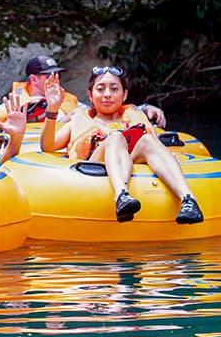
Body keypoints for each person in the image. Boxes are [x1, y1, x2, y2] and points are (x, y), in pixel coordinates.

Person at [39, 66, 203, 224]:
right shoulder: (79, 119)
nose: (107, 94)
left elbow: (156, 145)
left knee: (147, 140)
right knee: (116, 137)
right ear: (90, 95)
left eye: (114, 89)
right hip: (93, 164)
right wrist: (52, 109)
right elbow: (48, 147)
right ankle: (121, 195)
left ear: (124, 94)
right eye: (101, 89)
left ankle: (188, 200)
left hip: (129, 159)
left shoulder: (135, 115)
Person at [0, 54, 167, 130]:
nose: (55, 79)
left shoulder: (67, 98)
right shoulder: (16, 101)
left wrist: (142, 108)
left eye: (57, 74)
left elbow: (100, 108)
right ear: (34, 80)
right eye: (48, 76)